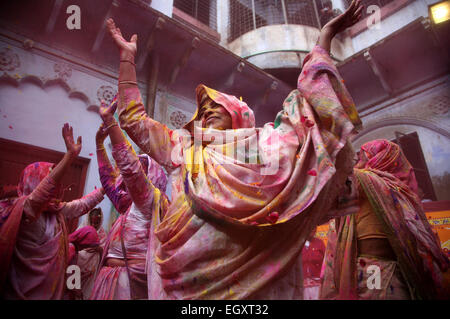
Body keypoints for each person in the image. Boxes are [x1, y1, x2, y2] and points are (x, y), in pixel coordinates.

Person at [105, 0, 363, 299]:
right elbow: (134, 120)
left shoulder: (265, 144)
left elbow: (310, 117)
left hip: (256, 292)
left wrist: (324, 40)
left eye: (218, 106)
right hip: (189, 287)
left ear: (238, 114)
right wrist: (126, 60)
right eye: (204, 108)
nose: (209, 111)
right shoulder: (185, 147)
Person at [320, 140, 449, 299]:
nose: (359, 162)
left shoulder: (370, 181)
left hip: (375, 272)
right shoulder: (399, 190)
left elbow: (339, 173)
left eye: (364, 157)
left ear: (381, 158)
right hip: (392, 273)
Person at [0, 123, 105, 299]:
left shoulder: (54, 213)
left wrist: (106, 188)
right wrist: (69, 157)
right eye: (49, 180)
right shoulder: (22, 211)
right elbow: (39, 196)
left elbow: (81, 205)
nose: (57, 188)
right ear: (33, 182)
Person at [90, 100, 169, 300]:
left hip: (127, 286)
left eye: (143, 168)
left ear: (151, 177)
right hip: (109, 281)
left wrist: (110, 122)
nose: (128, 176)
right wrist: (99, 144)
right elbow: (109, 181)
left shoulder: (148, 202)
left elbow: (130, 168)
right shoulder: (128, 205)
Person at [301, 228, 326, 300]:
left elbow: (326, 262)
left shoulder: (320, 243)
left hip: (317, 284)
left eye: (314, 228)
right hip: (301, 284)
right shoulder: (298, 244)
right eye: (310, 227)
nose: (312, 230)